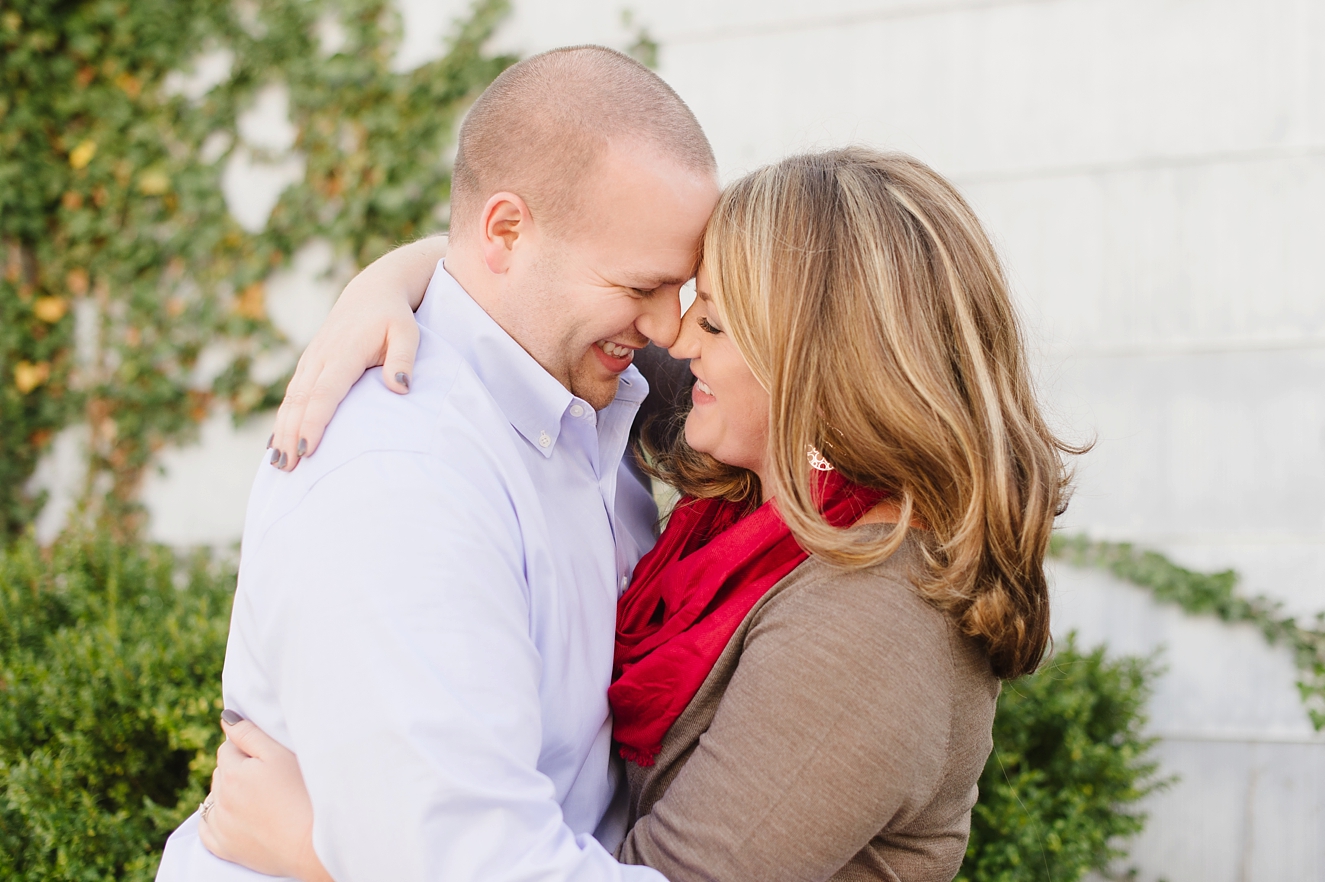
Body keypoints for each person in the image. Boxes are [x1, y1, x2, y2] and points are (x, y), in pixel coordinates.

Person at [195, 148, 1081, 882]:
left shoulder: (867, 617)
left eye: (717, 324)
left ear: (814, 366)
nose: (677, 338)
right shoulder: (770, 483)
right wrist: (383, 288)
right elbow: (521, 282)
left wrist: (328, 851)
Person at [156, 45, 720, 882]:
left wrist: (404, 270)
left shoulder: (588, 401)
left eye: (678, 289)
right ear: (504, 232)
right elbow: (479, 865)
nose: (670, 329)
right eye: (641, 287)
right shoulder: (401, 480)